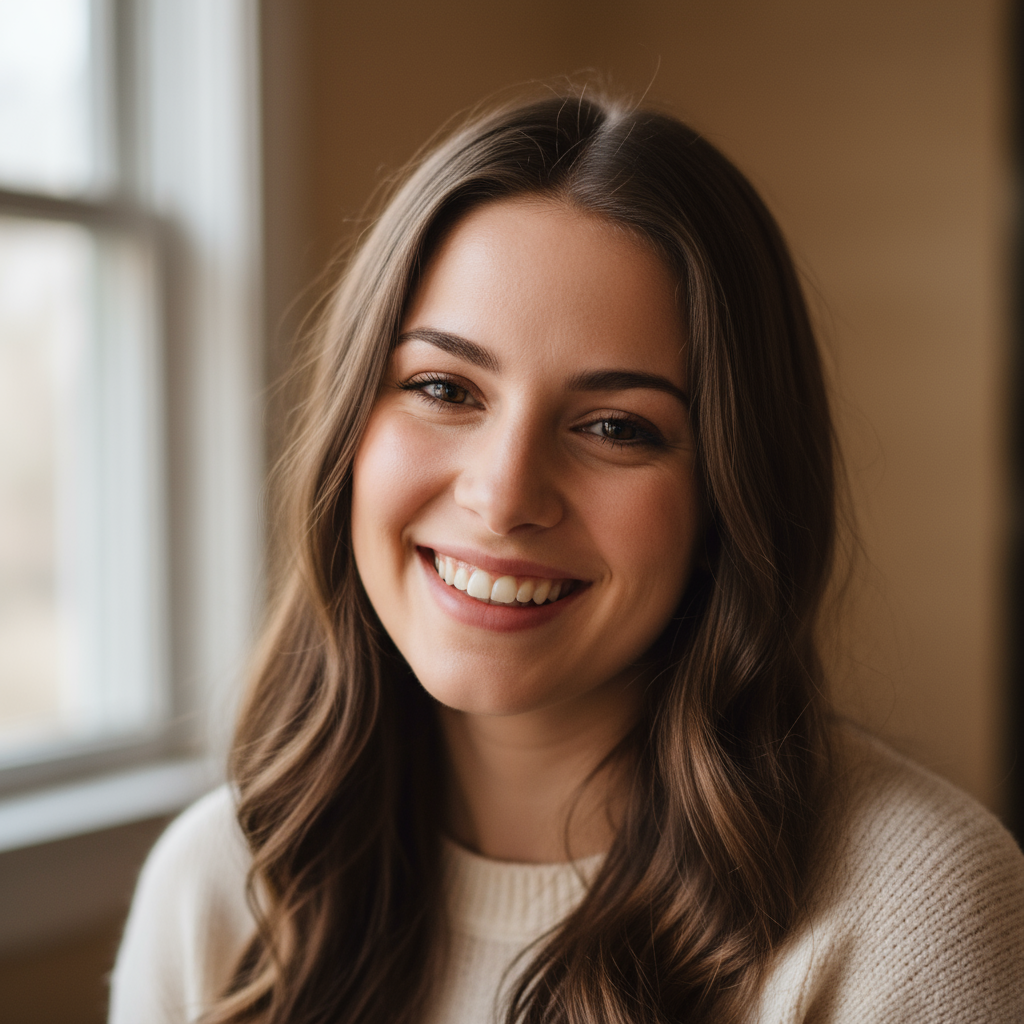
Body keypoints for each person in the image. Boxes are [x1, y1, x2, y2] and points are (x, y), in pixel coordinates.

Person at [109, 92, 1024, 1024]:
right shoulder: (221, 885)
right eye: (442, 387)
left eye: (618, 427)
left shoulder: (915, 914)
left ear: (732, 494)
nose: (503, 497)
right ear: (350, 425)